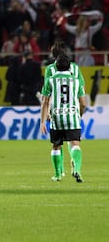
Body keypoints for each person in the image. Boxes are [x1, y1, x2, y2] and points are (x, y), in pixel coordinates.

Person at [40, 53, 87, 183]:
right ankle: (77, 169)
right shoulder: (76, 81)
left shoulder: (50, 80)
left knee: (56, 146)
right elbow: (83, 103)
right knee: (75, 144)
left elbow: (45, 101)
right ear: (69, 66)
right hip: (72, 117)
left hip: (56, 118)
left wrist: (43, 121)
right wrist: (79, 115)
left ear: (56, 66)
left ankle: (57, 175)